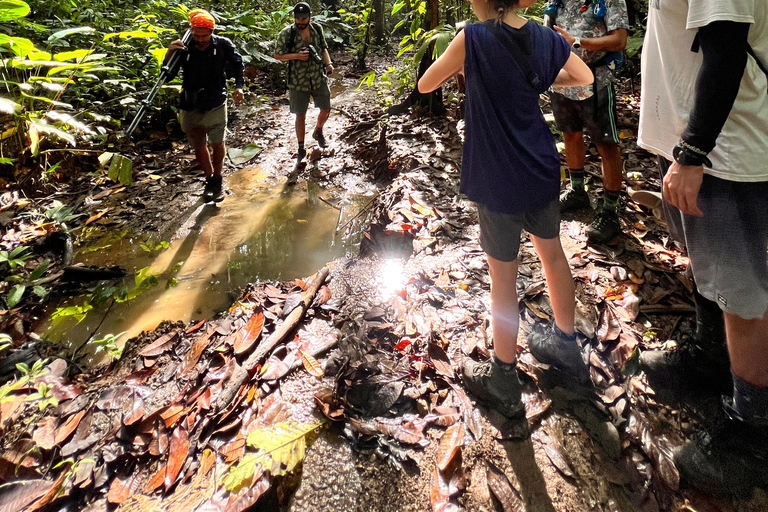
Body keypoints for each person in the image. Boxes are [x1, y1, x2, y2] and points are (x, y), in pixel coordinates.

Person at [418, 0, 593, 437]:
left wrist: (465, 64)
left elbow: (425, 85)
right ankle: (567, 345)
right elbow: (584, 77)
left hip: (497, 174)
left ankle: (503, 376)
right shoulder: (544, 37)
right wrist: (542, 76)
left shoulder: (471, 38)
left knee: (503, 275)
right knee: (552, 254)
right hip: (539, 165)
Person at [637, 0, 768, 497]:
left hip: (724, 151)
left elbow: (727, 48)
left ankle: (751, 432)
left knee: (741, 289)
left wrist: (694, 152)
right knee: (711, 267)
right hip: (696, 144)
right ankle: (709, 355)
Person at [545, 0, 629, 244]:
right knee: (570, 135)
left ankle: (610, 210)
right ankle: (577, 191)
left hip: (597, 80)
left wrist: (579, 42)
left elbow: (620, 40)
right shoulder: (557, 1)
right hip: (562, 80)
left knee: (606, 144)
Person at [165, 9, 244, 202]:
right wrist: (169, 53)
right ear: (191, 32)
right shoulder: (184, 47)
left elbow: (237, 65)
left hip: (216, 100)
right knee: (198, 144)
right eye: (196, 35)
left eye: (204, 35)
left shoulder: (223, 45)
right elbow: (167, 75)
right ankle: (208, 177)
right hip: (190, 103)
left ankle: (217, 178)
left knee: (218, 142)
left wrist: (239, 87)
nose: (200, 39)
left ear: (212, 32)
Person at [274, 2, 334, 163]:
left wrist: (328, 64)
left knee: (326, 108)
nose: (300, 21)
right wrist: (296, 56)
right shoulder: (287, 33)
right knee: (300, 114)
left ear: (310, 17)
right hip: (297, 80)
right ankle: (301, 148)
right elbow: (277, 55)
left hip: (317, 76)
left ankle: (318, 130)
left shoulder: (317, 29)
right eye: (297, 18)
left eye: (303, 18)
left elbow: (323, 48)